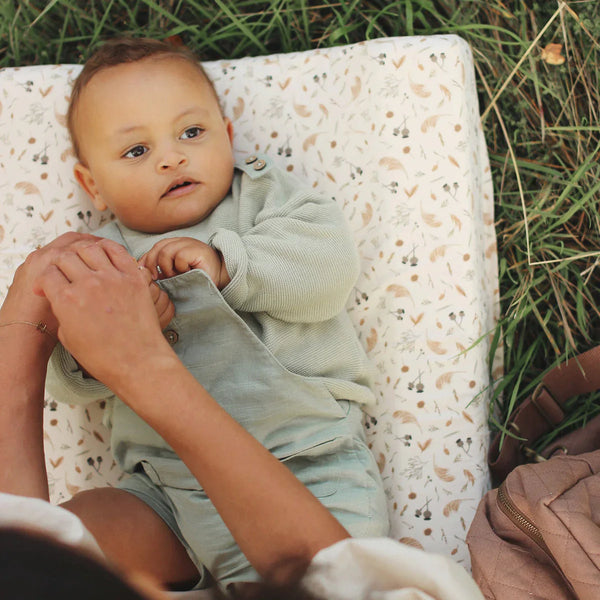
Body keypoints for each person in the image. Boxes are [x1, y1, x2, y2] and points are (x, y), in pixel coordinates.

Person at [37, 36, 389, 592]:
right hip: (168, 494)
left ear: (227, 137)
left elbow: (329, 266)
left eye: (192, 133)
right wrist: (96, 344)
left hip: (305, 464)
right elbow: (65, 382)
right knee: (70, 538)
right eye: (136, 152)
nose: (172, 157)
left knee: (344, 583)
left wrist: (230, 264)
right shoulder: (98, 259)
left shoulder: (261, 198)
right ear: (92, 186)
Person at [0, 237, 484, 600]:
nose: (172, 158)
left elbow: (29, 570)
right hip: (301, 474)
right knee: (349, 580)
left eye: (192, 132)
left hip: (176, 489)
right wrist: (131, 363)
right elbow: (343, 584)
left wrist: (22, 343)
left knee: (75, 529)